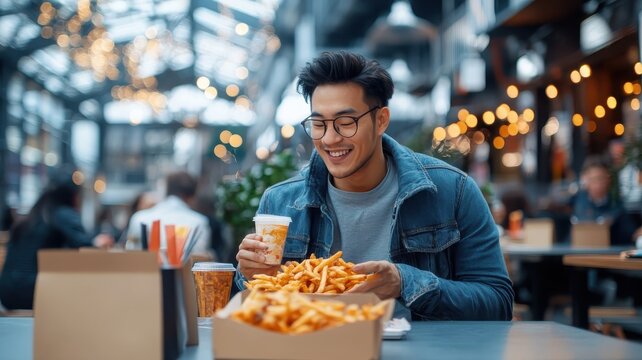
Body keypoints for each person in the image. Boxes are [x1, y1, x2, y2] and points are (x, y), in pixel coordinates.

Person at [235, 51, 513, 320]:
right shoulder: (280, 202)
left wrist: (405, 282)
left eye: (345, 122)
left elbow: (497, 302)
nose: (330, 139)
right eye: (319, 123)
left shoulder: (453, 191)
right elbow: (253, 311)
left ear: (381, 121)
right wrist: (249, 275)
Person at [0, 167, 114, 310]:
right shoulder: (63, 214)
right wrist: (98, 242)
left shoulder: (33, 215)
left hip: (6, 292)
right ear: (73, 196)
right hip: (33, 291)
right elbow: (85, 247)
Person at [125, 172, 214, 259]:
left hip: (144, 272)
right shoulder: (199, 222)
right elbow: (199, 259)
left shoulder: (139, 218)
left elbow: (131, 256)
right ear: (191, 196)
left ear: (166, 190)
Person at [572, 156, 637, 245]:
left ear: (608, 179)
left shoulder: (617, 204)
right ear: (585, 179)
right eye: (593, 179)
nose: (598, 184)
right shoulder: (576, 201)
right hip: (579, 251)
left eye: (601, 178)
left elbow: (630, 233)